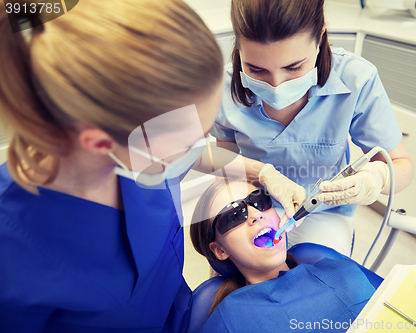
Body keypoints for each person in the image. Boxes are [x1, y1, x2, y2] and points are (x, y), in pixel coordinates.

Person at [0, 1, 305, 331]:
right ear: (99, 143)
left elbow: (197, 153)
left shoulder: (140, 154)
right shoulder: (13, 253)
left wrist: (263, 174)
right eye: (185, 141)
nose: (197, 147)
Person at [210, 0, 414, 256]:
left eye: (294, 67)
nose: (276, 85)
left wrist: (379, 177)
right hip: (254, 208)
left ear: (320, 37)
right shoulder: (222, 87)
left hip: (323, 214)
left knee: (318, 278)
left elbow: (401, 164)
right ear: (238, 47)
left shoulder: (357, 78)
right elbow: (223, 163)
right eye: (256, 69)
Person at [190, 178, 381, 333]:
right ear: (220, 250)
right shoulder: (229, 319)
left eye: (259, 201)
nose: (256, 214)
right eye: (233, 215)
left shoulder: (337, 270)